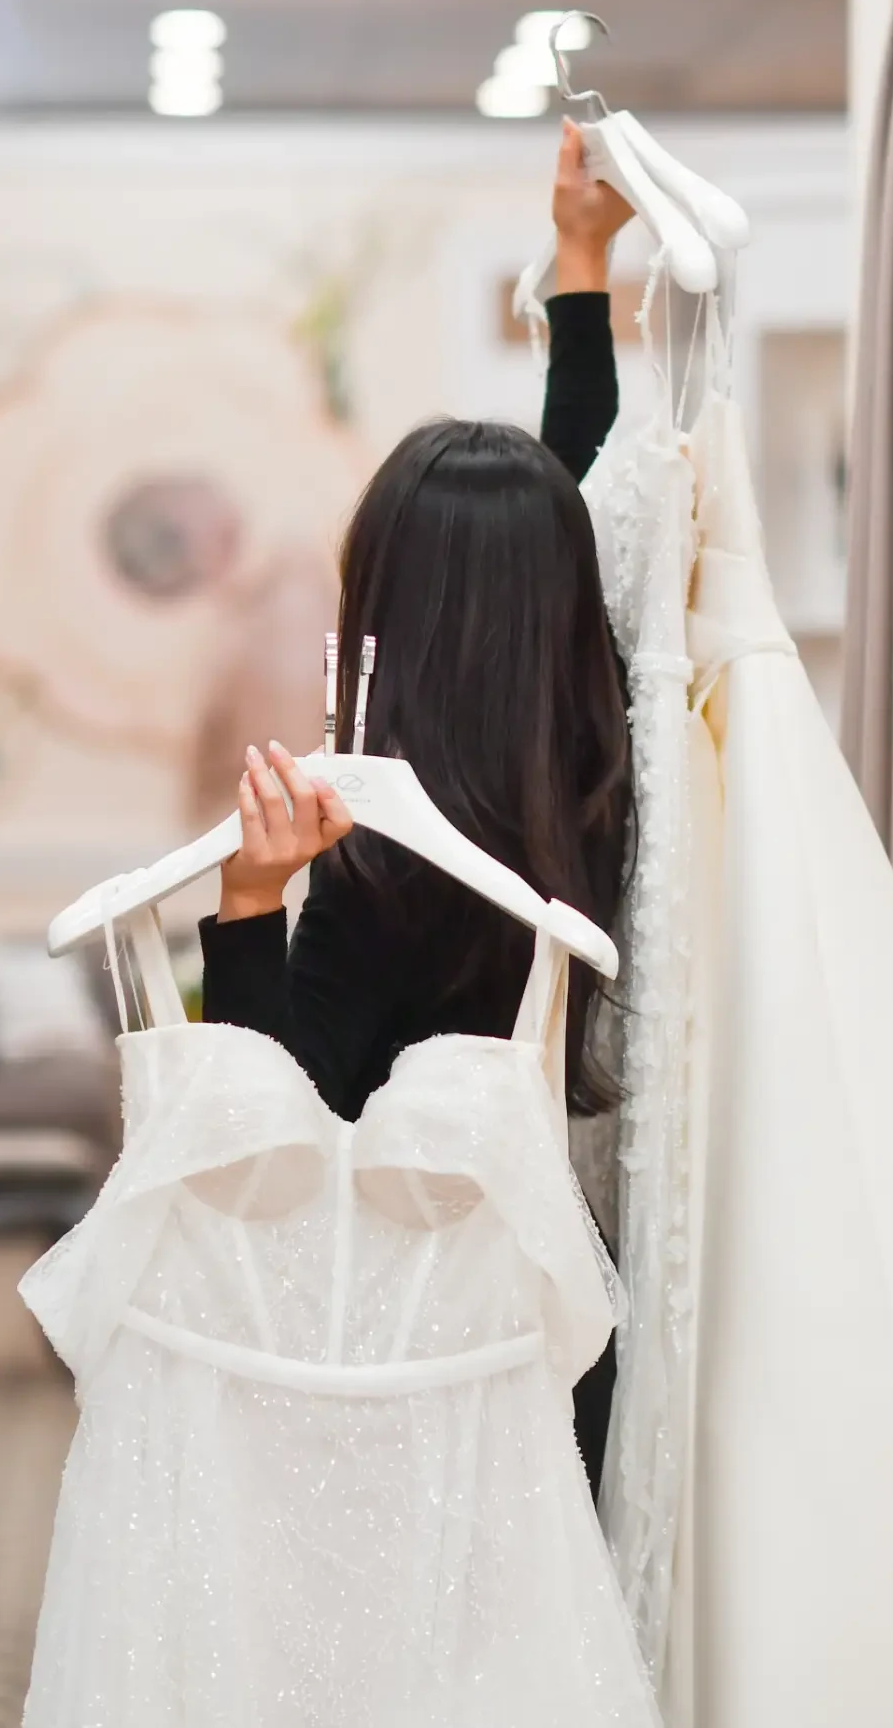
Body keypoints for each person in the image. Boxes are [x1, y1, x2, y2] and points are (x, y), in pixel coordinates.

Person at [195, 120, 634, 1496]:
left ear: (389, 610)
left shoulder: (389, 876)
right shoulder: (614, 774)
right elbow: (580, 500)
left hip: (434, 1368)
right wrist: (579, 263)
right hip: (596, 1319)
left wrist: (252, 908)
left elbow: (276, 1135)